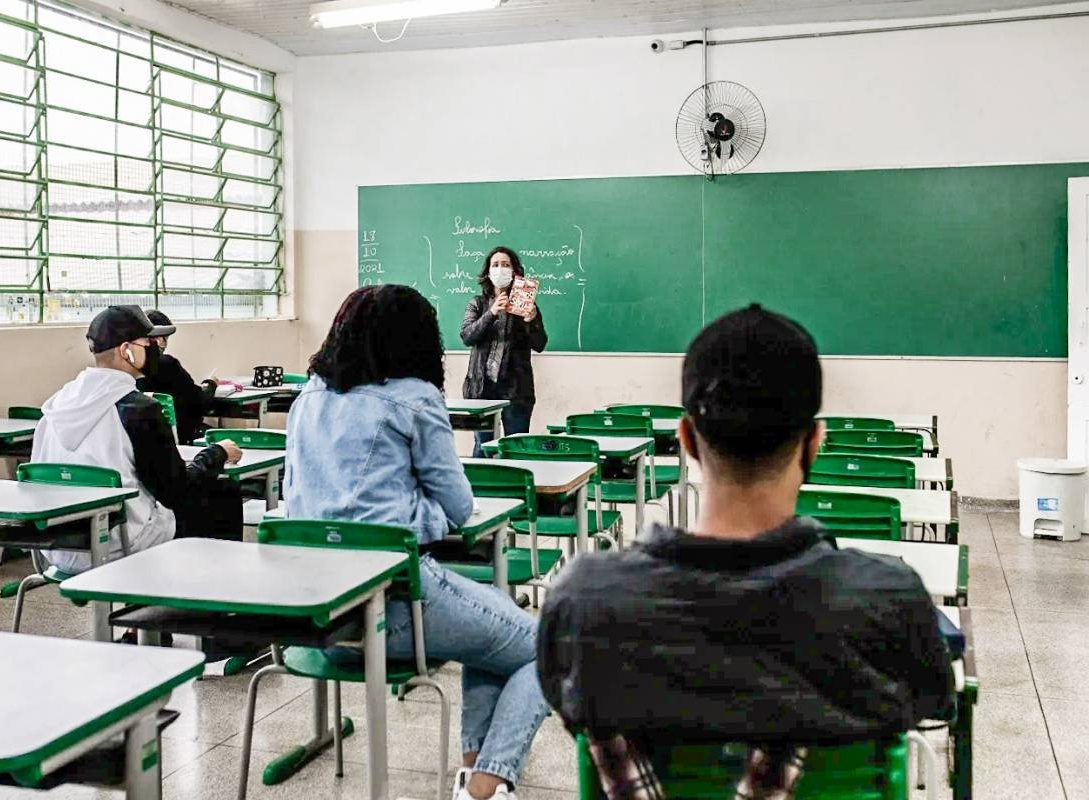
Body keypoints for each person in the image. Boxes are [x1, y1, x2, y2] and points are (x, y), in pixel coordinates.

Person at [536, 304, 954, 800]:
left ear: (687, 438)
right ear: (815, 444)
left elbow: (564, 700)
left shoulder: (583, 601)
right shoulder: (889, 598)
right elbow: (936, 701)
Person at [283, 285, 548, 800]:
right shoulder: (416, 398)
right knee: (544, 648)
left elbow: (298, 506)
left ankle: (475, 769)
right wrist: (416, 513)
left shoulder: (308, 397)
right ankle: (489, 781)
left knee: (491, 622)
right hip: (397, 604)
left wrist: (398, 513)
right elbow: (457, 506)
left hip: (319, 611)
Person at [32, 305, 243, 575]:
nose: (156, 349)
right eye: (149, 342)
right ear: (126, 351)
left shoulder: (55, 407)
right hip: (122, 544)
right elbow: (176, 491)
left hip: (57, 548)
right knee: (222, 493)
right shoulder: (137, 409)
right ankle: (211, 603)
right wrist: (217, 454)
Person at [461, 246, 548, 457]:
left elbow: (540, 344)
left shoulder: (525, 305)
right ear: (488, 272)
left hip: (517, 390)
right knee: (482, 447)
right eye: (496, 265)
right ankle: (480, 489)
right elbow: (467, 336)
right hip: (482, 388)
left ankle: (515, 489)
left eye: (506, 265)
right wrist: (491, 313)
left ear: (515, 271)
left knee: (516, 448)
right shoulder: (478, 303)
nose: (501, 269)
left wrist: (531, 321)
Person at [135, 309, 218, 445]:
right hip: (181, 437)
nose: (163, 343)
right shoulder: (168, 365)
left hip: (144, 441)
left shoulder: (127, 369)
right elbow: (198, 402)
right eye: (163, 338)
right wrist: (211, 384)